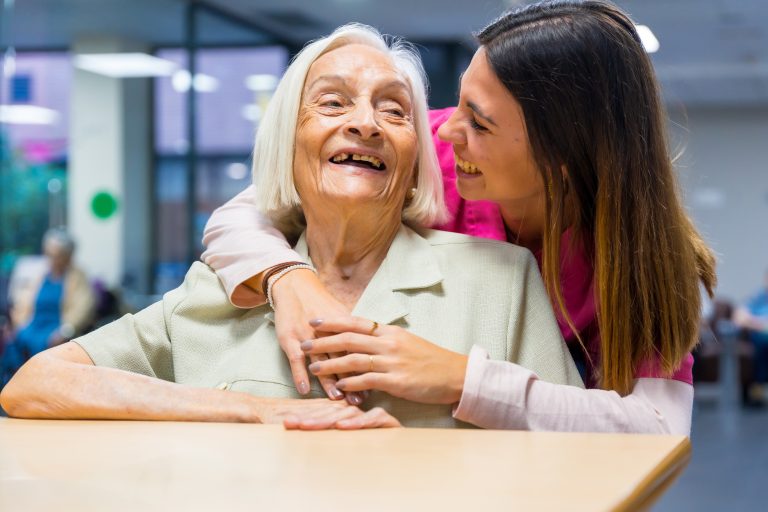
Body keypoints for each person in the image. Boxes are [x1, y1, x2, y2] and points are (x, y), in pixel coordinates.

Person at [0, 24, 582, 428]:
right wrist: (252, 410)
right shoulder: (220, 289)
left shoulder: (502, 279)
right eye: (333, 103)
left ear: (415, 166)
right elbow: (35, 385)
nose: (366, 123)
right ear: (287, 147)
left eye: (394, 110)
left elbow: (576, 449)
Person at [201, 0, 716, 435]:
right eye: (461, 102)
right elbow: (246, 212)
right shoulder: (429, 149)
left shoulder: (644, 261)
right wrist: (289, 278)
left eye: (480, 124)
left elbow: (659, 425)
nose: (447, 131)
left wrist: (463, 379)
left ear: (560, 157)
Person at [0, 229, 94, 387]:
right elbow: (22, 302)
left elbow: (83, 308)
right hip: (33, 324)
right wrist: (17, 324)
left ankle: (39, 387)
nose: (51, 259)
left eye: (57, 255)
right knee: (13, 344)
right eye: (49, 254)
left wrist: (65, 330)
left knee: (44, 348)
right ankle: (13, 387)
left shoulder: (77, 276)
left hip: (57, 327)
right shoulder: (39, 274)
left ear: (68, 257)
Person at [733, 271, 768, 403]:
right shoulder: (758, 296)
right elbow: (739, 317)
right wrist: (758, 324)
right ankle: (758, 385)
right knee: (761, 342)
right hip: (757, 334)